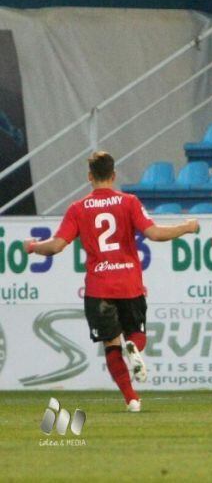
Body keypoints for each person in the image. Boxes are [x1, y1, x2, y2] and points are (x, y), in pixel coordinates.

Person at [24, 151, 198, 412]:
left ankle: (132, 399)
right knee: (136, 335)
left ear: (89, 177)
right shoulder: (129, 202)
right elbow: (154, 233)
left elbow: (57, 246)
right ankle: (134, 348)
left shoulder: (78, 208)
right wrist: (186, 227)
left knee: (110, 343)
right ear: (114, 175)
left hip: (99, 287)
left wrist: (33, 247)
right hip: (129, 283)